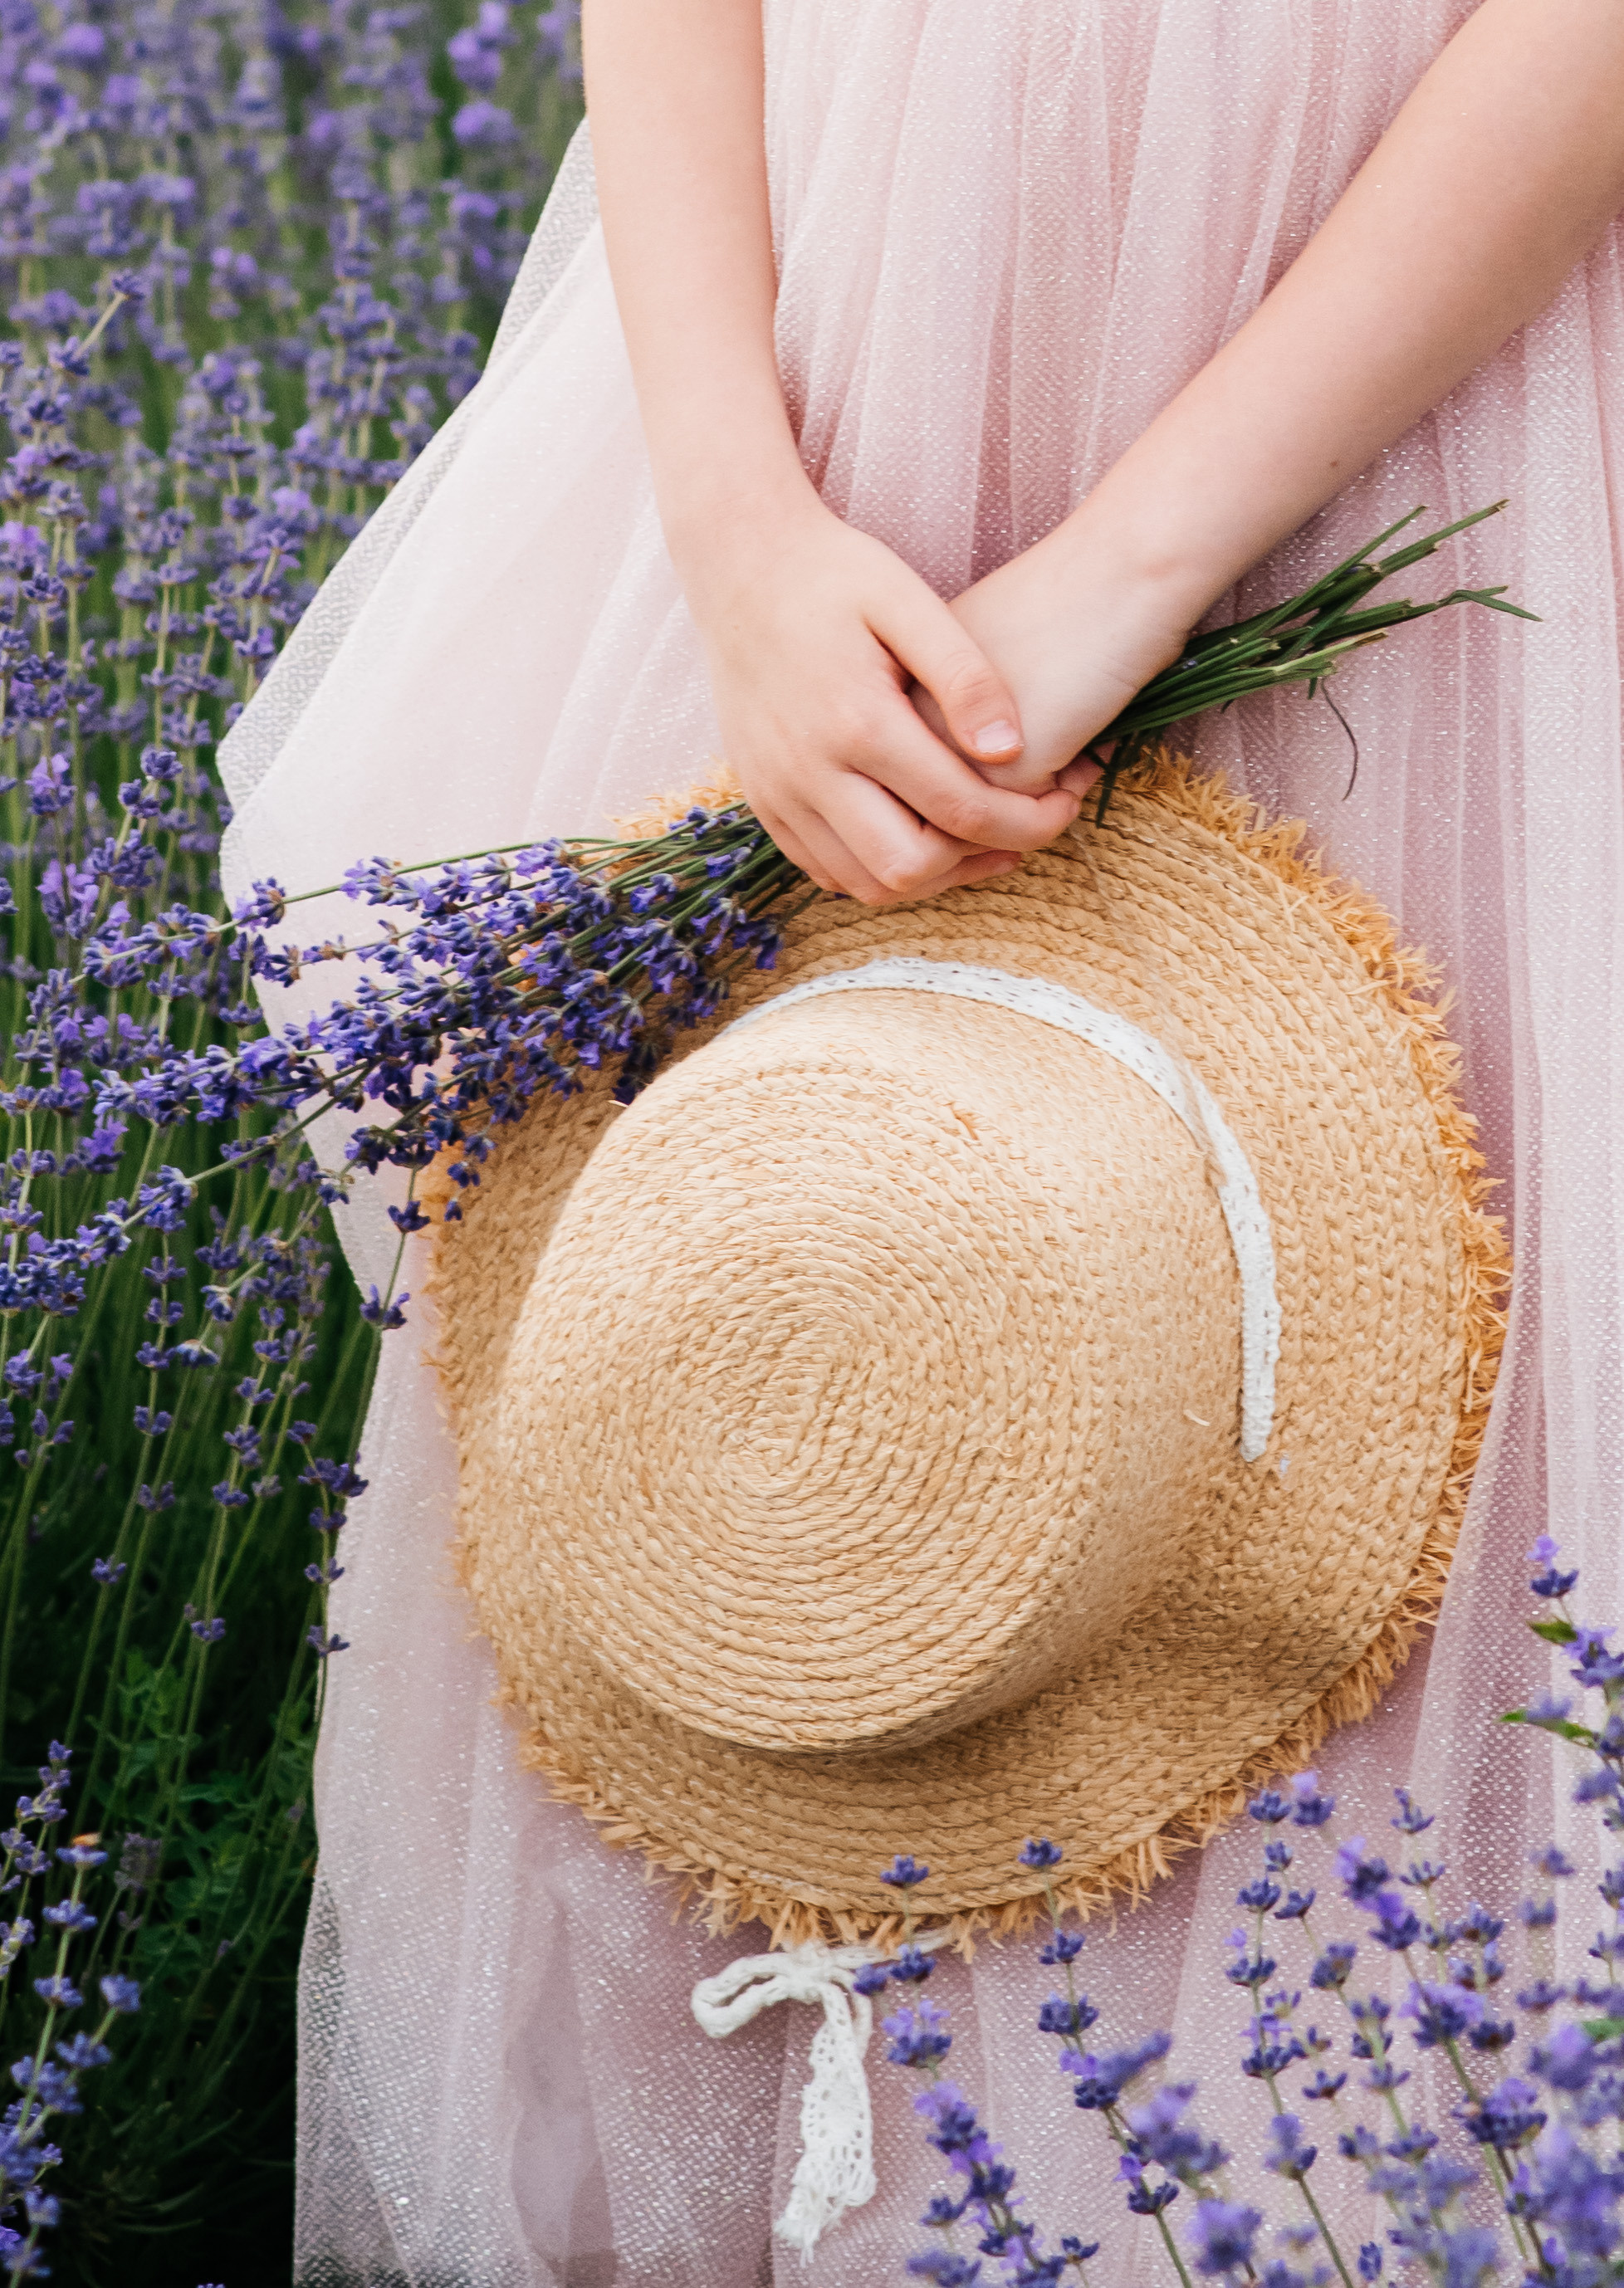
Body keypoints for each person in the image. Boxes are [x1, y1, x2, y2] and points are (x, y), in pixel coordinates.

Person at [219, 2, 1624, 2281]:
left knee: (1360, 1465)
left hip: (1417, 336)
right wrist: (732, 515)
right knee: (825, 1402)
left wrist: (1136, 564)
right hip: (858, 346)